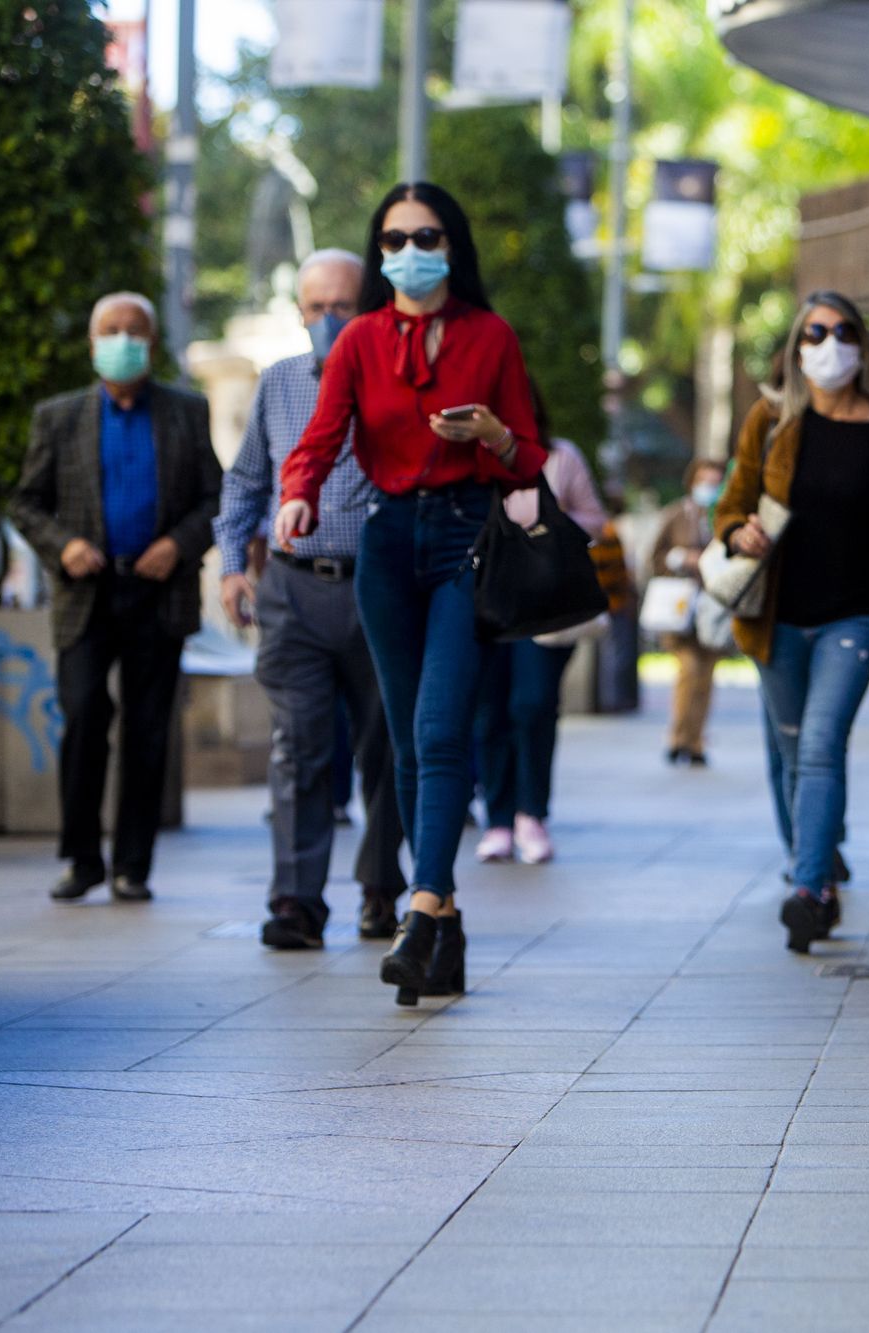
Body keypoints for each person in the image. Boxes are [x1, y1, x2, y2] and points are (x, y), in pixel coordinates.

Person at [275, 182, 547, 1005]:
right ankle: (447, 924)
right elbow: (321, 436)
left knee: (437, 727)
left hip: (467, 534)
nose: (407, 252)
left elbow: (529, 457)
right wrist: (299, 492)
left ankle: (421, 909)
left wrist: (491, 434)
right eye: (391, 240)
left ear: (451, 245)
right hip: (387, 540)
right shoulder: (358, 340)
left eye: (424, 236)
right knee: (400, 737)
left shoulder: (489, 335)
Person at [717, 291, 869, 952]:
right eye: (814, 332)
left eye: (843, 331)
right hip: (778, 616)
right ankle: (819, 863)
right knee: (790, 751)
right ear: (795, 346)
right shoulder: (770, 419)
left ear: (863, 346)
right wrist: (739, 531)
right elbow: (730, 505)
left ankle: (808, 885)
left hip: (857, 615)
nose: (829, 343)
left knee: (819, 743)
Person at [215, 248, 407, 949]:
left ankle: (381, 888)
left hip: (378, 589)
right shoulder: (279, 384)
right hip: (293, 591)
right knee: (297, 748)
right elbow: (244, 483)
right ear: (299, 312)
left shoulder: (397, 381)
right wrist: (234, 564)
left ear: (372, 309)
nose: (328, 320)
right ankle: (296, 899)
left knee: (384, 748)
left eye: (342, 306)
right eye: (316, 307)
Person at [9, 292, 221, 904]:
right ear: (92, 340)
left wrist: (177, 546)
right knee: (82, 717)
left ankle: (133, 865)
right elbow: (26, 502)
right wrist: (63, 546)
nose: (123, 339)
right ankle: (81, 858)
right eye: (110, 329)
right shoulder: (59, 416)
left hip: (158, 592)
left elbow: (216, 497)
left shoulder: (186, 411)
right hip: (86, 593)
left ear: (151, 343)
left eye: (135, 330)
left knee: (149, 731)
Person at [472, 431, 608, 865]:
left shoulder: (561, 456)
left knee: (531, 705)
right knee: (489, 710)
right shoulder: (469, 456)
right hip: (487, 602)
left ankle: (531, 813)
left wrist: (546, 525)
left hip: (545, 604)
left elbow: (594, 520)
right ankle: (497, 818)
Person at [649, 458, 728, 767]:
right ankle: (678, 736)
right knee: (689, 670)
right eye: (704, 480)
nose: (709, 487)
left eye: (715, 481)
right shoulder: (676, 515)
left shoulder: (723, 514)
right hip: (679, 607)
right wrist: (680, 559)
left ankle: (696, 740)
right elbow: (655, 555)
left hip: (712, 607)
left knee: (706, 676)